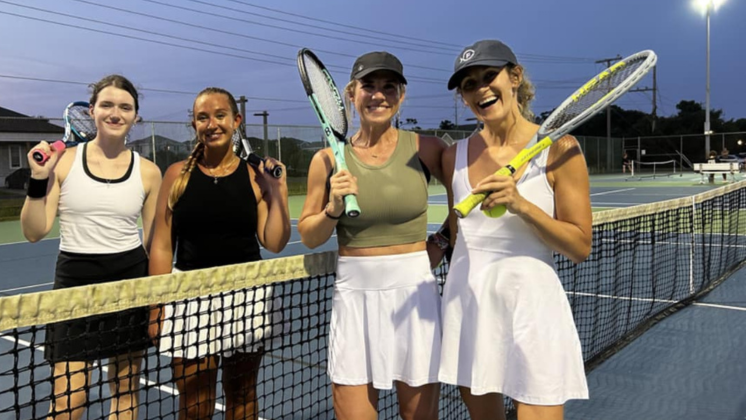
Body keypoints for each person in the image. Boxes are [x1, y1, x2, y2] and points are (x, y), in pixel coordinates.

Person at [438, 40, 591, 420]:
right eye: (469, 85)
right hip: (468, 304)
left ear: (515, 77)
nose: (481, 90)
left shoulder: (561, 149)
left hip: (532, 305)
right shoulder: (450, 155)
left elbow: (579, 246)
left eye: (490, 77)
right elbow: (457, 233)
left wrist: (522, 205)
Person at [297, 51, 449, 420]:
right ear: (351, 94)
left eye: (389, 87)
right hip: (355, 298)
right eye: (369, 86)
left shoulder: (428, 149)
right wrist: (333, 207)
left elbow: (469, 203)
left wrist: (441, 242)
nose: (378, 95)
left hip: (416, 296)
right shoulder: (327, 160)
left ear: (401, 96)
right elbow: (310, 236)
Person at [20, 74, 163, 420]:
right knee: (70, 401)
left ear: (136, 117)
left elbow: (152, 240)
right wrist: (38, 180)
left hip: (129, 285)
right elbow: (35, 231)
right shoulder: (64, 163)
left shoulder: (149, 173)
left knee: (125, 392)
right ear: (93, 111)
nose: (116, 113)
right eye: (108, 105)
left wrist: (156, 301)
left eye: (125, 107)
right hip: (73, 287)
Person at [149, 87, 290, 420]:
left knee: (242, 394)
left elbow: (274, 242)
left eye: (220, 115)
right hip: (187, 297)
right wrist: (155, 307)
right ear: (194, 124)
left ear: (236, 121)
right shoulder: (175, 175)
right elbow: (161, 246)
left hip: (247, 295)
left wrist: (277, 191)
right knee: (195, 403)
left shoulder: (256, 178)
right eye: (202, 117)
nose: (212, 124)